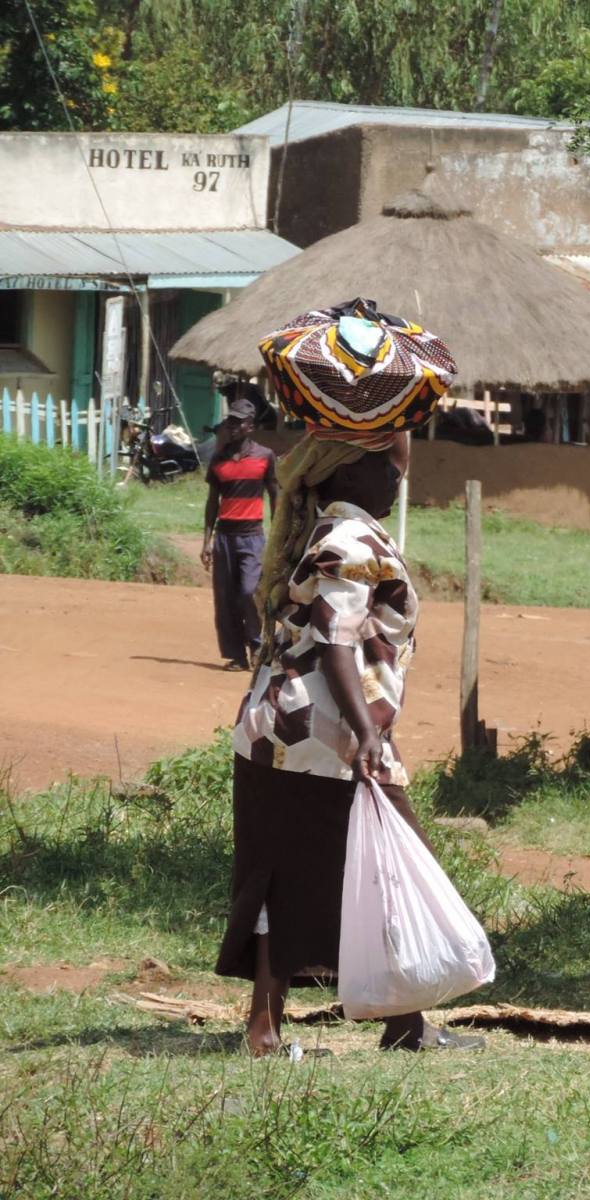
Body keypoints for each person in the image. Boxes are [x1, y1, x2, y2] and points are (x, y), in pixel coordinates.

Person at [215, 429, 481, 1055]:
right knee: (389, 866)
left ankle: (276, 1028)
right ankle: (399, 1025)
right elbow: (337, 641)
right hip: (327, 737)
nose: (397, 482)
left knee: (282, 876)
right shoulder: (351, 541)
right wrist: (366, 734)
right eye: (388, 471)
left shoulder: (326, 533)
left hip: (276, 734)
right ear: (347, 472)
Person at [202, 396, 278, 670]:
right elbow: (212, 502)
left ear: (250, 426)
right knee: (225, 598)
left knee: (248, 592)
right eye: (229, 422)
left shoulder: (265, 457)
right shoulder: (218, 459)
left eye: (238, 422)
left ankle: (257, 645)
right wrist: (207, 541)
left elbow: (275, 495)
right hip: (224, 537)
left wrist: (278, 533)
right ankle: (236, 655)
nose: (232, 426)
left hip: (252, 537)